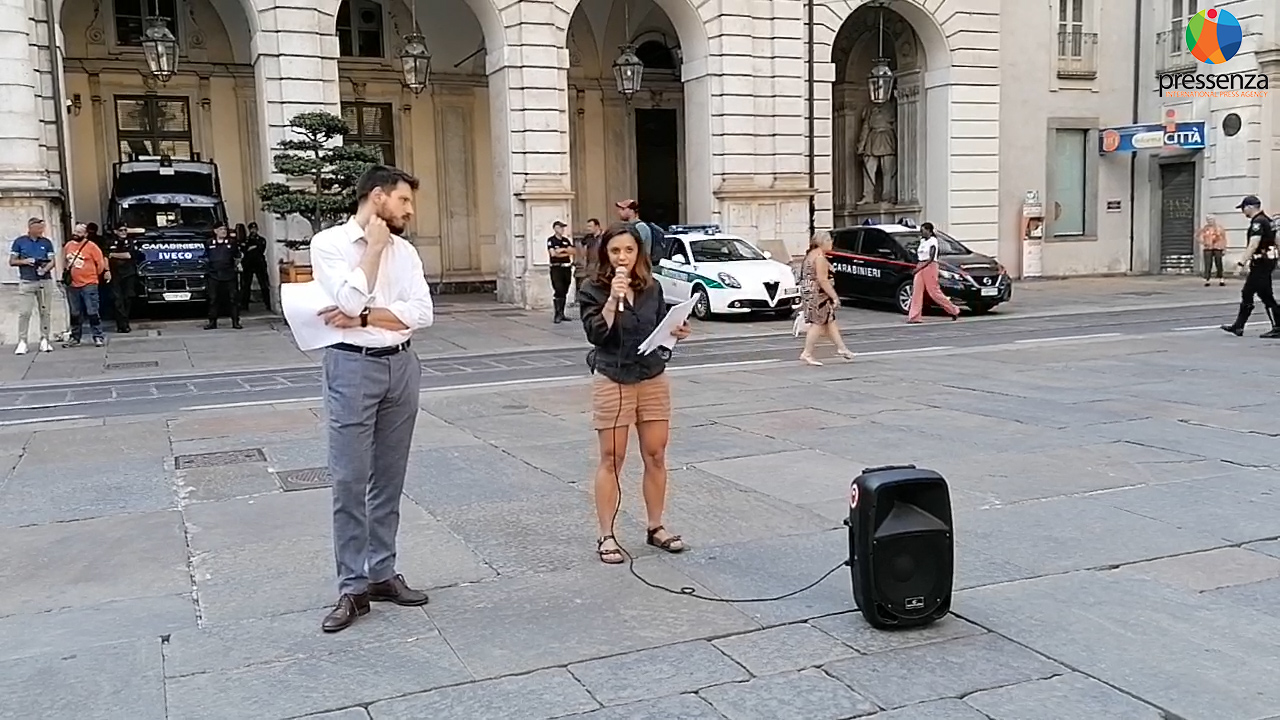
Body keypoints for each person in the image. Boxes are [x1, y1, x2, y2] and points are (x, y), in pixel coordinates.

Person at [309, 165, 435, 633]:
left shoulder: (408, 252)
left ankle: (382, 572)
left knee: (389, 476)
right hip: (351, 367)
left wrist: (365, 317)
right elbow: (344, 301)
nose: (410, 210)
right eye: (404, 200)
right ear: (378, 197)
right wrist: (375, 250)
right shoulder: (329, 244)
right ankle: (352, 587)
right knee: (349, 479)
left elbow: (422, 314)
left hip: (401, 365)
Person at [578, 223, 690, 565]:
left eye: (629, 250)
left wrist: (675, 331)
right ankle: (606, 535)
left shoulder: (652, 287)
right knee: (612, 457)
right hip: (613, 377)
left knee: (655, 454)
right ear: (605, 254)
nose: (622, 257)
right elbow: (596, 334)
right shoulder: (592, 289)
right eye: (615, 251)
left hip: (651, 375)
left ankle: (655, 527)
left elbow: (659, 325)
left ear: (639, 252)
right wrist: (613, 300)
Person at [1222, 195, 1279, 339]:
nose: (1243, 212)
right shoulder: (1268, 220)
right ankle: (1238, 326)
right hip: (1268, 261)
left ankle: (1277, 327)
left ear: (1250, 207)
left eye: (1243, 208)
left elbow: (1253, 244)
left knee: (1255, 293)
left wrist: (1241, 263)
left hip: (1261, 263)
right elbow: (1277, 240)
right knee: (1258, 294)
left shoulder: (1258, 222)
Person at [798, 231, 855, 366]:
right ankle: (807, 352)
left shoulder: (811, 255)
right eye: (829, 241)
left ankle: (842, 348)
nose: (831, 243)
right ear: (822, 242)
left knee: (830, 320)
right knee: (817, 323)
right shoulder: (820, 258)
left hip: (811, 292)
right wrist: (835, 297)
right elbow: (822, 280)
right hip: (817, 294)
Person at [10, 217, 56, 354]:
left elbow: (52, 261)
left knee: (45, 311)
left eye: (42, 228)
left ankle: (45, 339)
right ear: (31, 228)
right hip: (27, 280)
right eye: (38, 228)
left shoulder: (46, 242)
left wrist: (44, 269)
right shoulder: (20, 242)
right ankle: (22, 341)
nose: (41, 230)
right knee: (24, 312)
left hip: (44, 280)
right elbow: (12, 261)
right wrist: (25, 261)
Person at [63, 223, 110, 347]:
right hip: (72, 284)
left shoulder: (92, 247)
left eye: (79, 232)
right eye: (75, 231)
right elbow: (65, 261)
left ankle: (98, 336)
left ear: (85, 234)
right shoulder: (68, 245)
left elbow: (100, 264)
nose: (76, 234)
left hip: (89, 283)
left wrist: (92, 276)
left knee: (92, 311)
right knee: (75, 313)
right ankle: (75, 337)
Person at [907, 222, 961, 324]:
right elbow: (920, 256)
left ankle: (953, 310)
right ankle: (914, 316)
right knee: (916, 291)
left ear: (929, 231)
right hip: (921, 264)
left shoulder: (933, 241)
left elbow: (931, 258)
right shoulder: (922, 241)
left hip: (930, 266)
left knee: (934, 292)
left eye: (923, 231)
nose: (921, 233)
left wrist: (918, 268)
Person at [204, 222, 242, 330]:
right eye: (221, 229)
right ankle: (212, 322)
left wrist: (234, 267)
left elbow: (237, 257)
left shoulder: (231, 243)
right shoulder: (209, 243)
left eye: (225, 229)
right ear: (215, 231)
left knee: (233, 298)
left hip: (229, 275)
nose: (223, 231)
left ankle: (235, 321)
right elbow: (205, 256)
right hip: (214, 275)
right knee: (213, 299)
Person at [106, 223, 139, 333]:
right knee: (117, 300)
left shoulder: (130, 242)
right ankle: (121, 324)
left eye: (125, 230)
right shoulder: (110, 242)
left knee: (128, 298)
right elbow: (106, 255)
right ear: (115, 231)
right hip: (115, 274)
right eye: (121, 230)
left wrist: (113, 255)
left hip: (128, 274)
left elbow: (129, 255)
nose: (124, 232)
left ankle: (125, 322)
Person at [240, 222, 271, 311]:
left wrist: (251, 248)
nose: (253, 230)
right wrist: (251, 247)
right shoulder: (246, 240)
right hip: (248, 264)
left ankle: (268, 303)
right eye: (251, 229)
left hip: (259, 263)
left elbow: (261, 248)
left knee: (264, 284)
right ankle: (244, 305)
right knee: (246, 285)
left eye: (255, 229)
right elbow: (244, 249)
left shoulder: (261, 239)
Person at [547, 220, 573, 323]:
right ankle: (557, 314)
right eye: (560, 227)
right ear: (555, 228)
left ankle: (562, 313)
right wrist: (565, 250)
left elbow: (573, 251)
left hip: (566, 268)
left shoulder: (566, 240)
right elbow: (553, 254)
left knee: (565, 290)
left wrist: (561, 251)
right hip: (556, 268)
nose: (562, 229)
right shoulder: (551, 240)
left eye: (563, 228)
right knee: (559, 289)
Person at [572, 218, 602, 307]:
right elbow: (581, 248)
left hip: (600, 265)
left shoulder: (603, 237)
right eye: (588, 226)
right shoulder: (588, 238)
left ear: (597, 226)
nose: (588, 228)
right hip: (590, 266)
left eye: (590, 226)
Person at [1199, 215, 1227, 287]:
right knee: (1208, 264)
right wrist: (1203, 242)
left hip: (1218, 247)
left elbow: (1223, 238)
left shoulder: (1219, 228)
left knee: (1219, 263)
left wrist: (1224, 248)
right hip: (1208, 248)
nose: (1210, 221)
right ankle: (1207, 280)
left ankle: (1221, 279)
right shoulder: (1205, 229)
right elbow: (1200, 237)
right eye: (1208, 220)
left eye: (1211, 219)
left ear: (1214, 220)